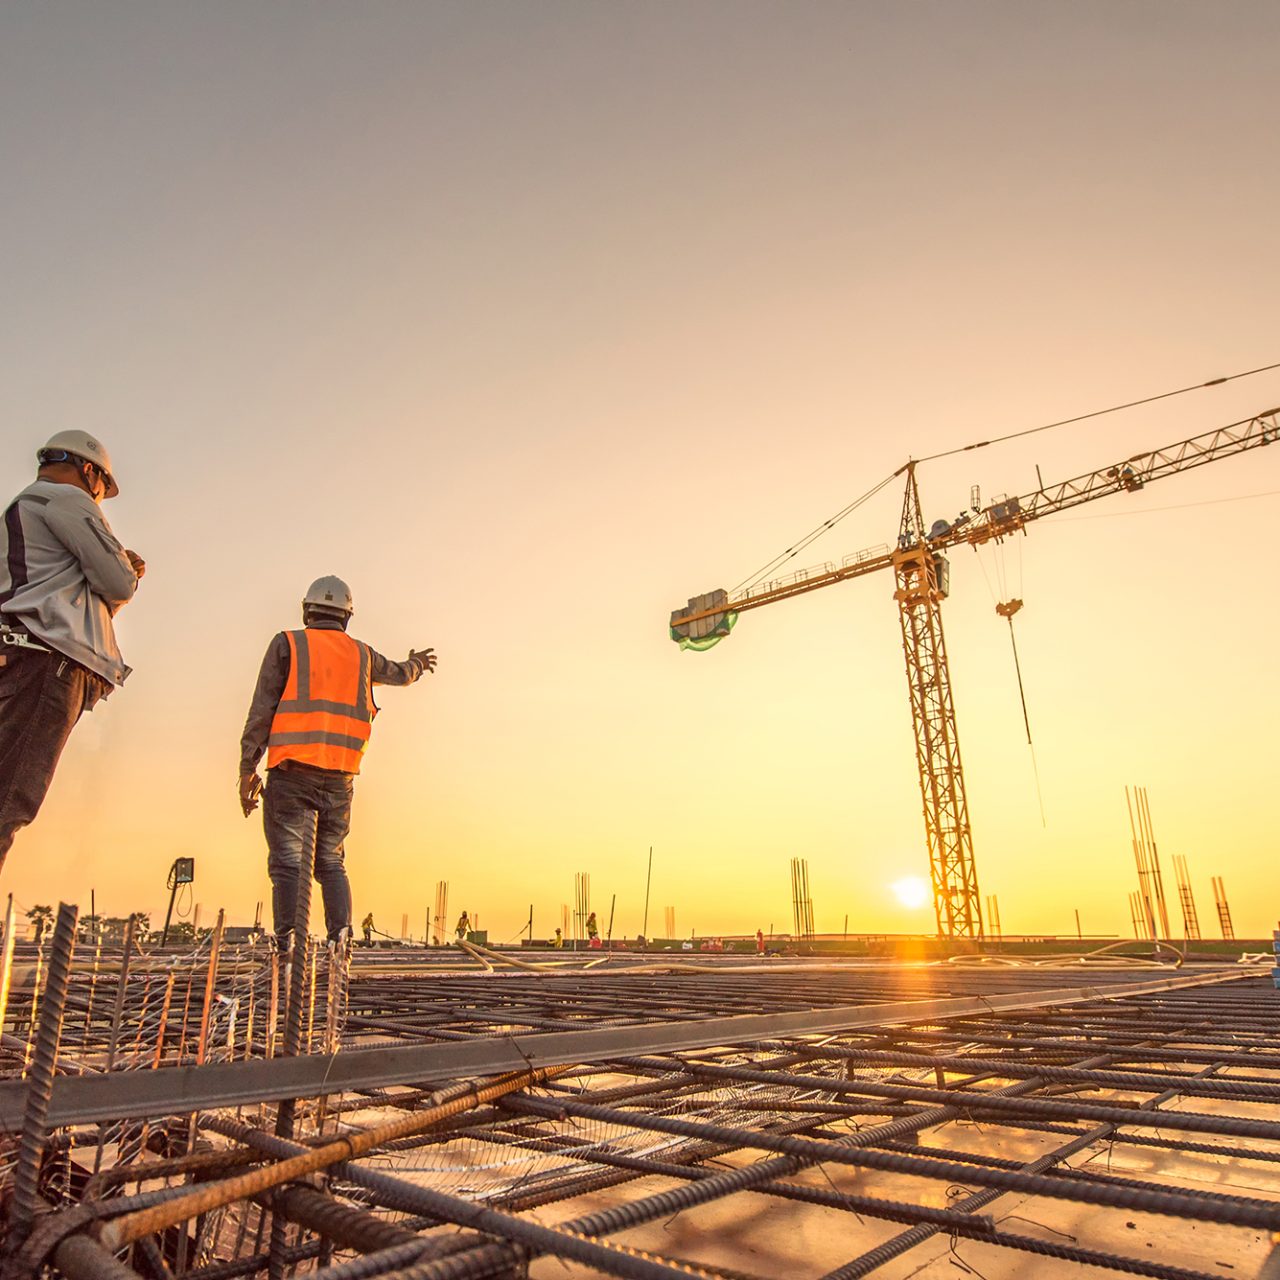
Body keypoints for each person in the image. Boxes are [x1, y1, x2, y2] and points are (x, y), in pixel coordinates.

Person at [239, 576, 435, 947]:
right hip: (340, 778)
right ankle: (340, 940)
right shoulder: (362, 655)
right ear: (347, 616)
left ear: (306, 610)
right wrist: (417, 664)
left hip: (291, 771)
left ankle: (289, 944)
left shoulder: (288, 644)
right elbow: (400, 673)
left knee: (288, 862)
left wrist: (247, 769)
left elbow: (261, 710)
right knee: (330, 861)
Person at [0, 432, 144, 875]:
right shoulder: (68, 500)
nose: (100, 498)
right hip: (47, 662)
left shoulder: (24, 510)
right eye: (102, 487)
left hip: (25, 654)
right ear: (90, 471)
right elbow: (117, 583)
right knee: (11, 799)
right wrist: (127, 567)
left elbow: (81, 592)